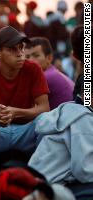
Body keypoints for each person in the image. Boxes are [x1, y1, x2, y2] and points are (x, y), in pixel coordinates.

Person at [28, 25, 92, 184]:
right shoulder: (82, 117)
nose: (29, 61)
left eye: (35, 55)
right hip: (50, 189)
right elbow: (86, 171)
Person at [0, 26, 49, 155]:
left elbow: (45, 108)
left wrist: (15, 112)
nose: (20, 53)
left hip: (26, 131)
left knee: (47, 121)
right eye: (12, 49)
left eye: (21, 47)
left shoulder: (33, 68)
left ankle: (42, 172)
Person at [25, 37, 74, 109]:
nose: (30, 60)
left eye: (36, 56)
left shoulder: (46, 77)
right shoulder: (53, 72)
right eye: (27, 57)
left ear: (49, 58)